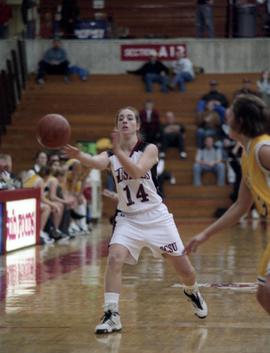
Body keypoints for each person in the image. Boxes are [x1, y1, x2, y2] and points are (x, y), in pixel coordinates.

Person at [64, 106, 208, 334]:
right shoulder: (111, 154)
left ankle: (192, 291)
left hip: (156, 218)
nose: (125, 121)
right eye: (120, 118)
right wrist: (79, 156)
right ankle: (112, 315)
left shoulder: (149, 149)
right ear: (116, 126)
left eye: (130, 118)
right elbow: (96, 161)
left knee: (185, 271)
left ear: (137, 126)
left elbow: (138, 171)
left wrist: (118, 152)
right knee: (114, 259)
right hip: (128, 219)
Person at [185, 94, 270, 316]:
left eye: (229, 114)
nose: (225, 118)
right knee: (264, 295)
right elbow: (241, 206)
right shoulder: (247, 153)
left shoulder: (264, 149)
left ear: (240, 121)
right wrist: (206, 234)